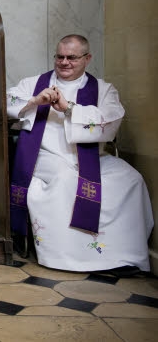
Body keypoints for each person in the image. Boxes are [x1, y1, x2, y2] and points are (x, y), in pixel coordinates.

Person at [8, 34, 153, 274]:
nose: (64, 62)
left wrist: (69, 109)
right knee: (67, 181)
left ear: (87, 58)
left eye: (72, 58)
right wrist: (35, 100)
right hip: (47, 156)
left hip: (93, 157)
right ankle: (67, 257)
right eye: (60, 57)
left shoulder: (104, 89)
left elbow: (111, 120)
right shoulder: (34, 83)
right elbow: (8, 100)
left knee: (132, 180)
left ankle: (124, 255)